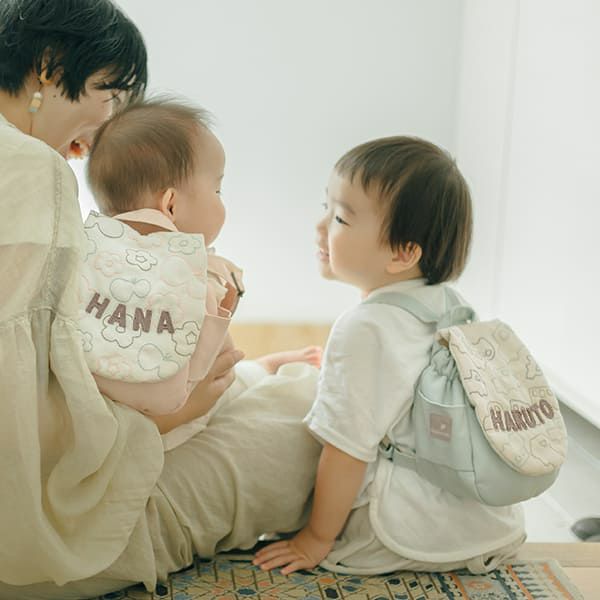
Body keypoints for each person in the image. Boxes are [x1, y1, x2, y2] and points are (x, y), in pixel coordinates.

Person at [0, 1, 320, 598]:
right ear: (48, 67)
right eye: (110, 95)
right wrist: (176, 412)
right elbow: (24, 414)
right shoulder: (29, 169)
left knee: (254, 386)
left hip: (87, 431)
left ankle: (253, 377)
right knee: (303, 418)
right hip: (30, 531)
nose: (102, 132)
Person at [254, 136, 526, 575]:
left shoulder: (364, 328)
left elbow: (347, 450)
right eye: (326, 207)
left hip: (408, 530)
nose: (320, 227)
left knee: (286, 430)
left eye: (340, 217)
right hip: (486, 522)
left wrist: (315, 538)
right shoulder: (450, 304)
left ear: (402, 252)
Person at [81, 98, 321, 450]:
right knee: (264, 387)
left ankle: (262, 368)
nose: (222, 200)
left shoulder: (88, 255)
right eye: (217, 189)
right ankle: (262, 370)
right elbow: (214, 372)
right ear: (171, 204)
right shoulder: (195, 277)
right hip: (176, 424)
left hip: (104, 414)